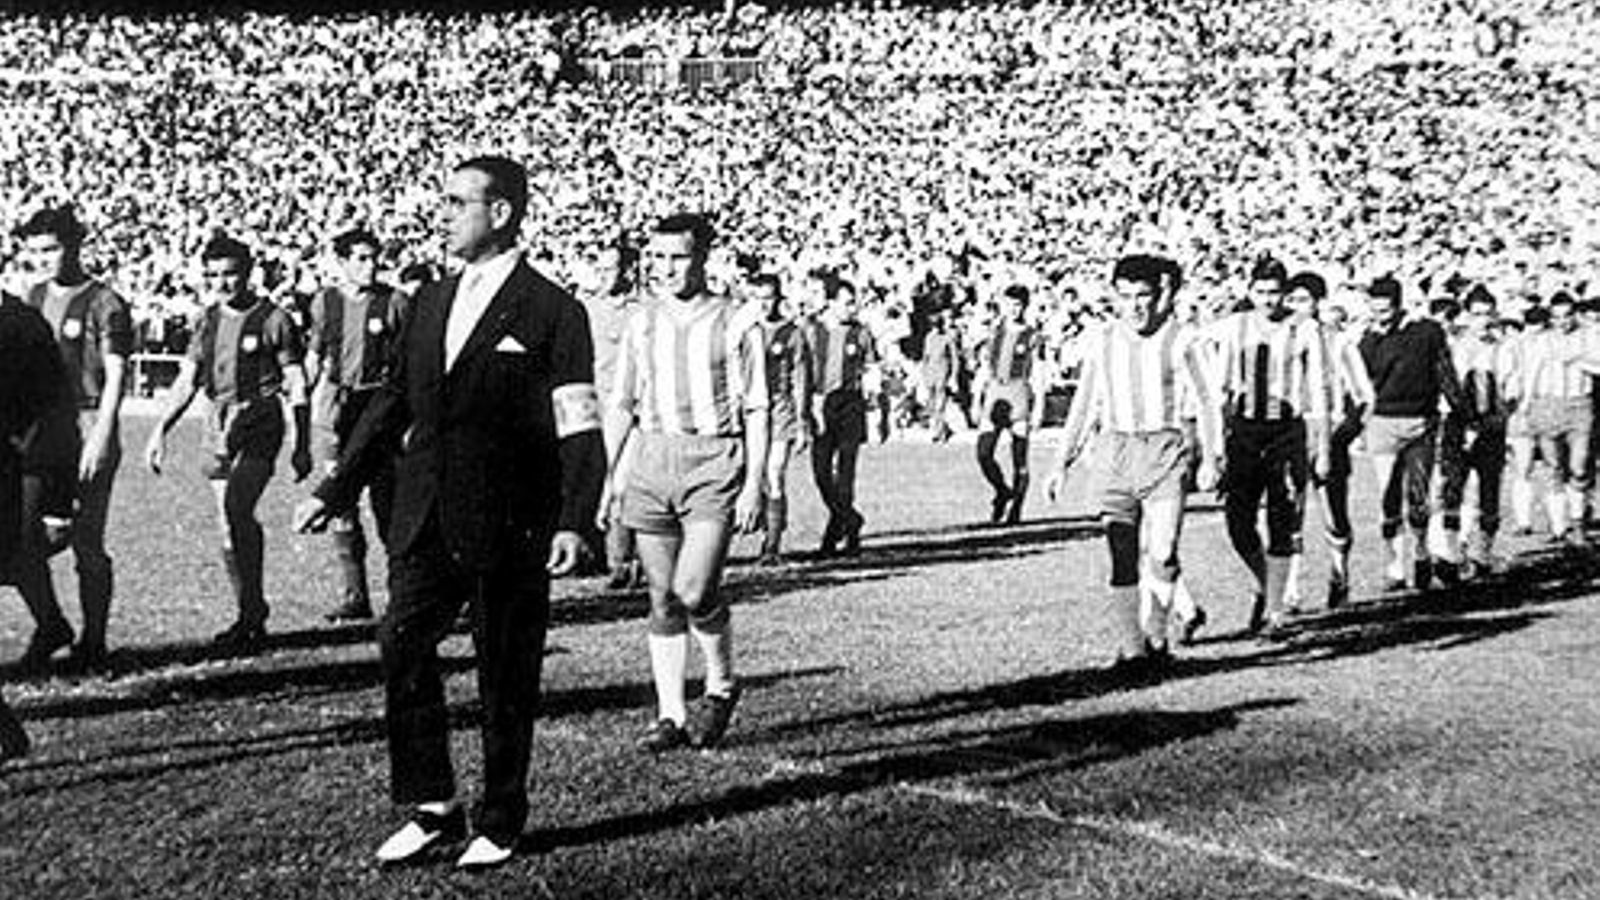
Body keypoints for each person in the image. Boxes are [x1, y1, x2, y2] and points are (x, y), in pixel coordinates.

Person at [296, 155, 605, 869]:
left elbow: (578, 423)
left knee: (505, 668)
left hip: (510, 520)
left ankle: (501, 817)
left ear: (500, 213)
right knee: (401, 642)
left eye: (458, 202)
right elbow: (391, 403)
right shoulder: (429, 299)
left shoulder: (553, 309)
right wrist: (334, 489)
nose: (443, 214)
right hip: (424, 511)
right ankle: (433, 804)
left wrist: (574, 519)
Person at [602, 212, 768, 753]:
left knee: (694, 589)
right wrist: (608, 476)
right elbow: (623, 402)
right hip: (653, 457)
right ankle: (670, 714)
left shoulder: (738, 320)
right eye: (659, 258)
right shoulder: (641, 321)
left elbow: (758, 408)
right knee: (661, 596)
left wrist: (755, 483)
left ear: (702, 259)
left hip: (713, 459)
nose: (667, 268)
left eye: (679, 257)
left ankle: (720, 685)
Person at [1045, 254, 1221, 681]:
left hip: (1163, 451)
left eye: (1143, 295)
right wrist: (1060, 462)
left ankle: (1156, 637)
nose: (1135, 306)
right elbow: (1085, 404)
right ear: (1115, 298)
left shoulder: (1183, 340)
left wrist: (1214, 457)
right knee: (1122, 555)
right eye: (1126, 297)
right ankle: (1132, 649)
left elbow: (1209, 400)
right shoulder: (1102, 341)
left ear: (1158, 295)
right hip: (1114, 453)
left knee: (1162, 551)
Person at [144, 235, 313, 647]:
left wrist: (302, 440)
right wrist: (160, 429)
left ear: (248, 272)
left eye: (230, 273)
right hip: (216, 420)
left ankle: (253, 609)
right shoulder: (206, 320)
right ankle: (249, 612)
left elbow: (295, 379)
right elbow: (188, 378)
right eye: (213, 275)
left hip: (260, 417)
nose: (222, 283)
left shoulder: (275, 319)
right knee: (226, 523)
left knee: (238, 508)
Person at [13, 207, 132, 672]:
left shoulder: (105, 302)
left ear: (75, 245)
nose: (43, 258)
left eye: (52, 248)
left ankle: (94, 641)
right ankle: (50, 624)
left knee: (86, 539)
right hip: (41, 431)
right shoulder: (33, 296)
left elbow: (117, 374)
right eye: (35, 250)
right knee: (21, 536)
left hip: (86, 424)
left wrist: (101, 436)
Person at [1212, 258, 1329, 637]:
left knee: (1282, 519)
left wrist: (1323, 446)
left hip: (1286, 433)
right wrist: (1216, 445)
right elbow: (1219, 389)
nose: (1267, 299)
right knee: (1238, 523)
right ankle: (1265, 584)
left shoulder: (1305, 329)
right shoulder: (1235, 327)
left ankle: (1276, 611)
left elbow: (1319, 393)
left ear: (1285, 294)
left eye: (1274, 292)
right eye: (1260, 291)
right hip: (1245, 432)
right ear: (1249, 291)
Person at [306, 227, 407, 622]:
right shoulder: (325, 302)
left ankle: (401, 596)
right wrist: (302, 394)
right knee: (341, 502)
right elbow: (317, 353)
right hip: (338, 408)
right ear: (343, 262)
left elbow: (407, 362)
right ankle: (355, 596)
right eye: (362, 258)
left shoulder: (395, 302)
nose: (371, 265)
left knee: (389, 505)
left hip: (380, 408)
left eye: (374, 257)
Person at [1358, 275, 1469, 592]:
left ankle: (1421, 554)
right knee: (1387, 496)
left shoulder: (1426, 332)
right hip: (1382, 423)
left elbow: (1445, 371)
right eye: (1375, 310)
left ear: (1397, 305)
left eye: (1386, 310)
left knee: (1420, 494)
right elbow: (1361, 386)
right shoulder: (1367, 340)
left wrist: (1461, 412)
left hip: (1421, 420)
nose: (1381, 316)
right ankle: (1394, 567)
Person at [1, 290, 77, 757]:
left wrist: (58, 499)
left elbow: (55, 411)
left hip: (18, 467)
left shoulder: (18, 324)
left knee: (21, 557)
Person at [1285, 275, 1374, 608]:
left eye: (1303, 300)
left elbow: (1366, 397)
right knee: (1288, 512)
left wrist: (1344, 435)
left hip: (1329, 432)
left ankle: (1340, 574)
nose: (1296, 307)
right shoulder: (1282, 339)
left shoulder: (1338, 342)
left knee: (1333, 513)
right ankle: (1290, 589)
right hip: (1289, 434)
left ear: (1319, 302)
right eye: (1291, 300)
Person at [1437, 284, 1519, 577]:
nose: (1482, 320)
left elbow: (1512, 390)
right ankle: (1450, 553)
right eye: (1476, 314)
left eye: (1487, 314)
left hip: (1490, 425)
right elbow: (1446, 387)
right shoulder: (1452, 346)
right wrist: (1462, 420)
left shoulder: (1504, 348)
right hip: (1456, 424)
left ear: (1495, 314)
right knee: (1452, 487)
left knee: (1489, 489)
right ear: (1466, 316)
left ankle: (1482, 553)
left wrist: (1497, 419)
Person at [576, 237, 643, 590]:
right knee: (592, 482)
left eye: (609, 268)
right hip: (595, 407)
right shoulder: (586, 308)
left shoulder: (643, 309)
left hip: (632, 411)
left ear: (629, 270)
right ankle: (596, 555)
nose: (601, 275)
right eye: (598, 268)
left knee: (621, 484)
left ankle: (623, 563)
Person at [805, 280, 875, 556]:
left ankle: (834, 538)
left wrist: (876, 408)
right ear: (832, 302)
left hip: (851, 404)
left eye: (853, 302)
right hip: (822, 402)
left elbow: (870, 368)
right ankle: (851, 519)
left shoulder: (861, 333)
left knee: (846, 473)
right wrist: (809, 405)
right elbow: (805, 370)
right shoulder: (814, 331)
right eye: (846, 302)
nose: (852, 307)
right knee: (821, 473)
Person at [748, 273, 812, 565]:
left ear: (779, 299)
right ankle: (766, 524)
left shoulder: (792, 334)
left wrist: (802, 421)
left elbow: (801, 380)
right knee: (752, 476)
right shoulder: (746, 331)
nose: (763, 304)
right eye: (757, 298)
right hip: (749, 412)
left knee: (774, 474)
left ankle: (772, 546)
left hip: (780, 409)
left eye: (769, 298)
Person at [974, 285, 1043, 524]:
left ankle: (1017, 510)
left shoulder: (1032, 335)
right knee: (983, 453)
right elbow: (984, 366)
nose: (1013, 310)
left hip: (1018, 392)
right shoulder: (995, 332)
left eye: (1017, 305)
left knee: (1019, 456)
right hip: (994, 392)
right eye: (1009, 304)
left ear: (1025, 306)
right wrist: (977, 399)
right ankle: (1002, 491)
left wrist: (1039, 405)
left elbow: (1039, 372)